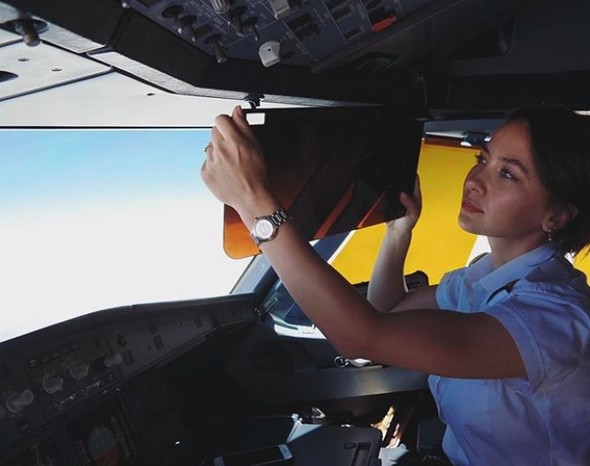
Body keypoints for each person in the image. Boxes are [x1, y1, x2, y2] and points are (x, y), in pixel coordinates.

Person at [201, 103, 590, 465]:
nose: (474, 181)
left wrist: (256, 206)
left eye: (507, 173)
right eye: (483, 159)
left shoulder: (552, 315)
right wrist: (398, 232)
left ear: (556, 215)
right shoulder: (482, 278)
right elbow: (385, 314)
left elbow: (362, 336)